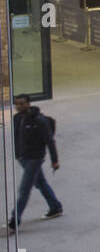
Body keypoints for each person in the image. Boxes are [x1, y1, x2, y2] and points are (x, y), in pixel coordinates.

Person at [8, 94, 62, 230]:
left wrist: (54, 160)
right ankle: (55, 207)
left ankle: (14, 220)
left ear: (28, 104)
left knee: (24, 189)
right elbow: (17, 137)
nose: (18, 106)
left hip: (35, 158)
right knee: (41, 183)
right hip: (23, 157)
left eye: (22, 104)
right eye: (17, 104)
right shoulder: (16, 118)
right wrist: (18, 154)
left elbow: (50, 141)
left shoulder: (39, 121)